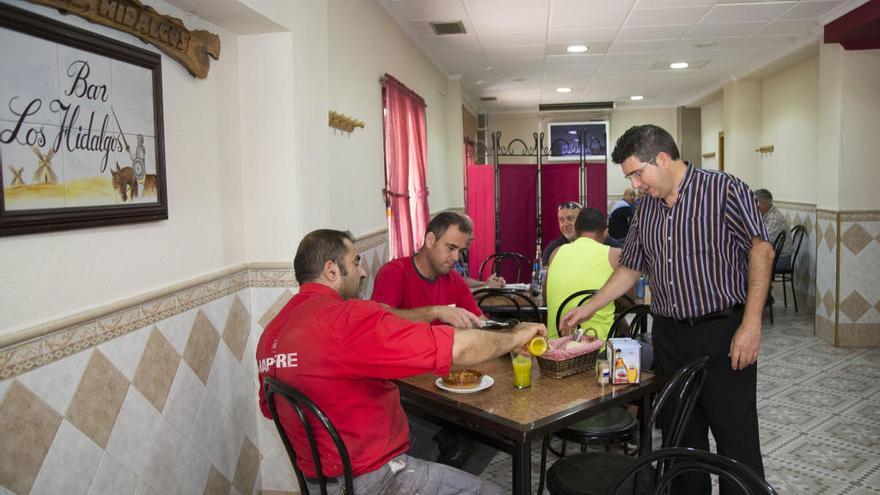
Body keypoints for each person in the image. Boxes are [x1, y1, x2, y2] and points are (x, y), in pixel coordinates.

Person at [560, 124, 773, 494]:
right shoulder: (647, 210)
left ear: (661, 158)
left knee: (734, 440)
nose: (636, 184)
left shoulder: (723, 190)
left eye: (637, 173)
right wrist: (589, 306)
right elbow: (630, 267)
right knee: (679, 439)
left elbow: (761, 250)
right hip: (670, 335)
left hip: (722, 332)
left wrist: (752, 323)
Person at [257, 229, 546, 495]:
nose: (363, 271)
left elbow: (270, 409)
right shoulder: (346, 319)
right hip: (378, 480)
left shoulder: (272, 331)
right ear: (331, 270)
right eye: (356, 261)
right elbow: (456, 347)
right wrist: (515, 335)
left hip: (319, 484)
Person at [372, 212, 485, 328]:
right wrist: (435, 312)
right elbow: (378, 319)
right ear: (430, 240)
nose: (456, 258)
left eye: (460, 251)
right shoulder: (393, 272)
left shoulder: (454, 279)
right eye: (451, 248)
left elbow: (479, 321)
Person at [545, 207, 621, 339]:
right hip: (598, 348)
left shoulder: (556, 252)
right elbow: (630, 303)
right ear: (605, 232)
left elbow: (545, 297)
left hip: (557, 346)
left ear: (576, 230)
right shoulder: (615, 255)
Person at [754, 188, 792, 258]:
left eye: (756, 202)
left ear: (765, 204)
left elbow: (763, 242)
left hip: (781, 258)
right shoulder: (766, 214)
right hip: (773, 255)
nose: (754, 206)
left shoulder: (774, 219)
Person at [541, 201, 582, 266]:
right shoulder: (552, 248)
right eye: (561, 220)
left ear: (583, 220)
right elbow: (544, 274)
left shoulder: (595, 243)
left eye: (570, 218)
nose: (565, 224)